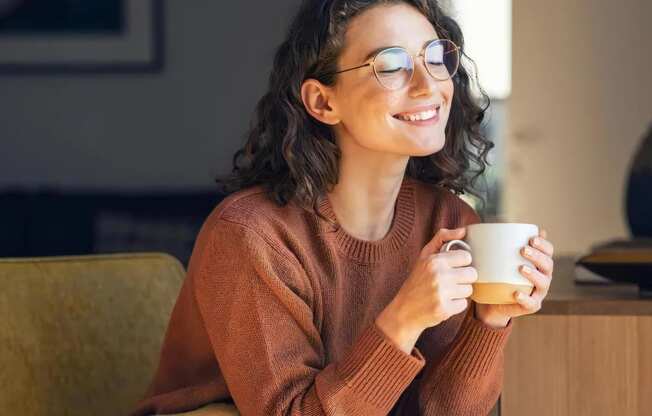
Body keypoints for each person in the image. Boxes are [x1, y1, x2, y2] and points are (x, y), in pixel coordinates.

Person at [131, 0, 555, 415]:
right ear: (323, 102)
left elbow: (441, 410)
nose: (428, 87)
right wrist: (403, 320)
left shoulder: (448, 222)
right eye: (390, 66)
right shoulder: (250, 236)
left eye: (436, 57)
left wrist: (489, 322)